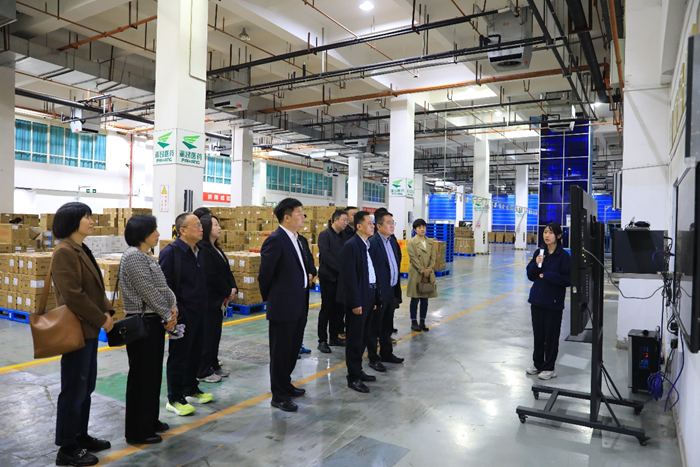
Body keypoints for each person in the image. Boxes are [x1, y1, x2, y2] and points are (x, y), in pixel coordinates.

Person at [51, 202, 114, 467]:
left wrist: (107, 310)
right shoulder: (64, 251)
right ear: (71, 221)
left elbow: (95, 288)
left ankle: (80, 435)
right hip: (76, 329)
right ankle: (67, 448)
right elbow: (73, 296)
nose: (91, 221)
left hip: (88, 329)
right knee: (73, 389)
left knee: (85, 387)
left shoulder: (81, 248)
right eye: (86, 217)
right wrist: (101, 319)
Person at [120, 215, 178, 445]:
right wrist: (168, 315)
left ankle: (150, 420)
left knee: (153, 375)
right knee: (141, 377)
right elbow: (148, 291)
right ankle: (137, 431)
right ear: (141, 233)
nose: (158, 234)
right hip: (142, 322)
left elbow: (163, 287)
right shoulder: (133, 256)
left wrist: (173, 309)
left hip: (155, 320)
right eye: (154, 230)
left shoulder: (148, 256)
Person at [258, 198, 313, 412]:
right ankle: (278, 395)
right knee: (280, 352)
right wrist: (273, 299)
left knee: (292, 348)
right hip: (283, 306)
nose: (303, 217)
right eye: (299, 213)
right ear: (287, 217)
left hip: (299, 303)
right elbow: (265, 276)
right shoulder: (275, 240)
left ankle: (285, 383)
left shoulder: (298, 240)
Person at [159, 213, 214, 416]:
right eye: (196, 225)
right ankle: (174, 398)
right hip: (182, 314)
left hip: (200, 311)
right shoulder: (171, 253)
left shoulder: (199, 251)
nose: (201, 228)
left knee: (195, 353)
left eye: (201, 225)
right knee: (179, 356)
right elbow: (166, 287)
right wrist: (177, 312)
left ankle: (190, 388)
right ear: (182, 230)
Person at [338, 211, 380, 393]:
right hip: (358, 299)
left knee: (364, 337)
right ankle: (353, 377)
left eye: (373, 223)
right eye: (369, 223)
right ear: (359, 226)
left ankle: (358, 370)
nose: (372, 226)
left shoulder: (367, 245)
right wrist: (355, 303)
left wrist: (374, 298)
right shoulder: (351, 246)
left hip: (368, 295)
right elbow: (349, 278)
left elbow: (371, 274)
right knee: (355, 340)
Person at [525, 222, 571, 380]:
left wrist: (548, 275)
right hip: (537, 301)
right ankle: (538, 364)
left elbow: (568, 279)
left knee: (551, 336)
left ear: (558, 236)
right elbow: (531, 275)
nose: (547, 235)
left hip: (553, 302)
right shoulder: (539, 252)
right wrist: (536, 263)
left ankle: (549, 367)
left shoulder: (563, 256)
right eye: (545, 232)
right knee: (538, 335)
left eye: (550, 233)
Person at [197, 214, 237, 382]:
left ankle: (214, 364)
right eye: (215, 225)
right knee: (207, 337)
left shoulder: (217, 249)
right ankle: (203, 370)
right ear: (206, 228)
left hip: (219, 301)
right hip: (209, 300)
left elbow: (227, 271)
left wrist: (233, 288)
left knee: (215, 336)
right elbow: (211, 275)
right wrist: (227, 290)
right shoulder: (204, 251)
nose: (219, 228)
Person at [368, 209, 404, 372]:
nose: (392, 226)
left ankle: (386, 353)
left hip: (391, 290)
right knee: (374, 328)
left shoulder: (392, 241)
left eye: (392, 223)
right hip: (379, 293)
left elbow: (396, 262)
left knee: (387, 325)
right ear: (378, 226)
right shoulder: (373, 243)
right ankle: (373, 358)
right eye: (388, 223)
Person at [316, 209, 349, 353]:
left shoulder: (344, 236)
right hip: (328, 278)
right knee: (327, 309)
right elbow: (326, 256)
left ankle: (334, 337)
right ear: (335, 220)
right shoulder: (325, 235)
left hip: (340, 279)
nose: (346, 223)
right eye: (344, 220)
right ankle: (322, 340)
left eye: (347, 220)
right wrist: (341, 270)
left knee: (339, 309)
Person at [406, 218, 438, 332]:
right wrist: (422, 269)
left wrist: (429, 269)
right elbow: (413, 258)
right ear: (415, 229)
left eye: (424, 227)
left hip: (427, 273)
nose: (422, 229)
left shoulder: (430, 242)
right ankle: (414, 322)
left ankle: (422, 322)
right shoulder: (411, 242)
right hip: (416, 273)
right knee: (415, 299)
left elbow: (433, 257)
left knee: (425, 300)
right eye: (419, 227)